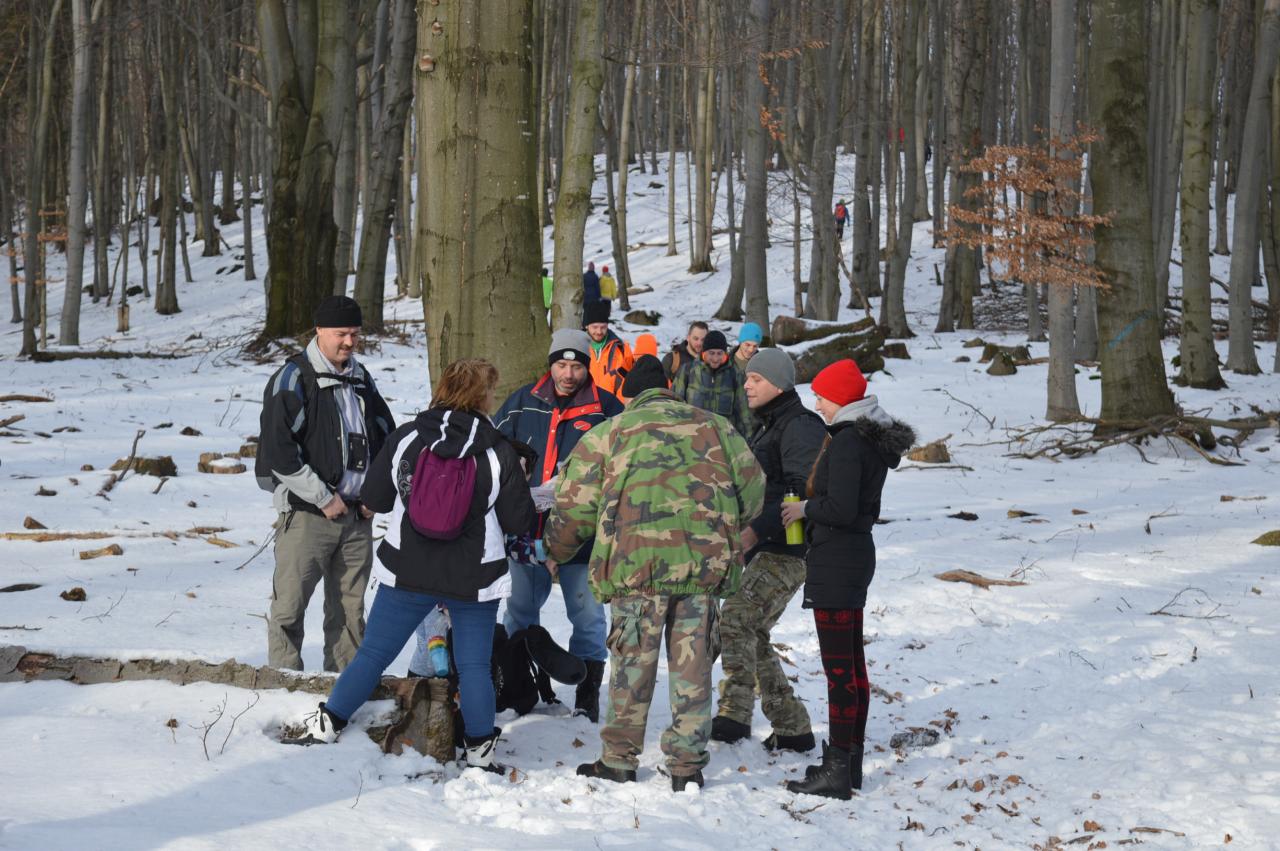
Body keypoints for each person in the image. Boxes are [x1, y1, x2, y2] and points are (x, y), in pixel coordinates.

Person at [291, 359, 537, 774]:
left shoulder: (408, 438)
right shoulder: (499, 452)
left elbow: (375, 498)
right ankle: (479, 753)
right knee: (474, 667)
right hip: (475, 576)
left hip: (407, 568)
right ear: (482, 397)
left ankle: (327, 724)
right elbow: (519, 522)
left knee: (373, 654)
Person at [545, 356, 765, 792]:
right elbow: (754, 492)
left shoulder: (609, 433)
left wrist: (556, 550)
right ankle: (687, 767)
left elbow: (573, 507)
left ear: (630, 396)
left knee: (631, 666)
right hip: (702, 570)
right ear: (670, 389)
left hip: (635, 570)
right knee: (694, 668)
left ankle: (619, 760)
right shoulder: (718, 428)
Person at [781, 359, 915, 800]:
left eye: (821, 397)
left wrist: (803, 509)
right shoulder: (866, 439)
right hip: (854, 556)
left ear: (840, 398)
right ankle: (848, 761)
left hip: (837, 559)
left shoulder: (846, 442)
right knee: (852, 666)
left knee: (839, 671)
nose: (817, 404)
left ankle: (838, 769)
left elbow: (839, 508)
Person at [256, 296, 395, 672]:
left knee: (350, 612)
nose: (349, 342)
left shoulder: (361, 378)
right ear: (319, 330)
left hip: (357, 517)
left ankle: (344, 688)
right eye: (341, 334)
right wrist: (322, 497)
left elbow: (388, 438)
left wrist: (375, 495)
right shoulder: (293, 378)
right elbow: (279, 452)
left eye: (355, 334)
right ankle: (283, 684)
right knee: (289, 606)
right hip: (307, 516)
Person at [493, 329, 625, 722]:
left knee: (586, 614)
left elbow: (623, 468)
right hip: (526, 529)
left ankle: (587, 693)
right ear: (550, 364)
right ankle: (519, 685)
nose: (568, 374)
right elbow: (495, 454)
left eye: (577, 366)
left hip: (582, 534)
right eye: (561, 365)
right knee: (520, 609)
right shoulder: (522, 402)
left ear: (588, 367)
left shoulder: (607, 409)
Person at [711, 348, 825, 753]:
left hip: (790, 548)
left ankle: (734, 714)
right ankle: (791, 725)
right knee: (747, 626)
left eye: (755, 379)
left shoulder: (800, 426)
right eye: (746, 378)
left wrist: (755, 532)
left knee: (737, 619)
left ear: (778, 383)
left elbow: (798, 488)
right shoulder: (771, 424)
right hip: (769, 546)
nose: (747, 385)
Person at [670, 329, 753, 436]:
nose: (715, 358)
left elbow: (744, 413)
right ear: (704, 352)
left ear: (725, 353)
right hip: (693, 437)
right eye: (711, 353)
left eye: (719, 353)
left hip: (724, 438)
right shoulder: (687, 371)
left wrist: (748, 438)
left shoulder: (735, 374)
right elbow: (674, 405)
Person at [584, 300, 634, 399]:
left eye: (603, 327)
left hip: (612, 404)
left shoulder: (622, 349)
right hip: (584, 404)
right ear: (586, 326)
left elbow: (628, 383)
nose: (599, 331)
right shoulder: (578, 347)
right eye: (595, 327)